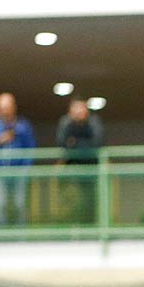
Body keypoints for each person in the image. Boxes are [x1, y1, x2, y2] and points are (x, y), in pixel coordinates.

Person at [0, 92, 35, 227]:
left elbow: (31, 149)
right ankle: (0, 237)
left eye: (7, 107)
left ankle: (21, 236)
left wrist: (25, 168)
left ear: (14, 107)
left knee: (20, 204)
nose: (4, 111)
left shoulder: (23, 126)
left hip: (18, 172)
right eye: (1, 108)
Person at [54, 97, 104, 226]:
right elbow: (62, 143)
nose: (79, 112)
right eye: (75, 109)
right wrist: (77, 143)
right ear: (70, 111)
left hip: (90, 169)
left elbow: (96, 143)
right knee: (70, 201)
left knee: (89, 201)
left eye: (81, 108)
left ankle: (90, 227)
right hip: (70, 169)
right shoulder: (65, 123)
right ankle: (71, 228)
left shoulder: (94, 122)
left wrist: (75, 143)